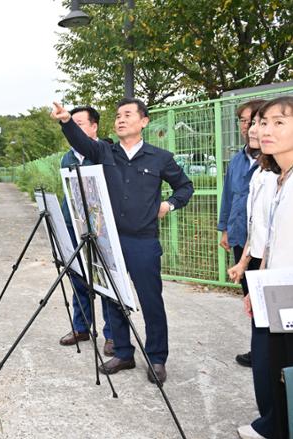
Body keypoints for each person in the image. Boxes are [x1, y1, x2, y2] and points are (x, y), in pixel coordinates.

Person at [51, 98, 194, 384]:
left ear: (144, 121)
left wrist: (169, 205)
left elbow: (185, 186)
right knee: (112, 296)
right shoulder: (105, 151)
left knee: (150, 300)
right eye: (117, 116)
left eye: (127, 115)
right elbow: (82, 143)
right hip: (109, 240)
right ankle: (124, 353)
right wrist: (67, 121)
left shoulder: (160, 158)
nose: (120, 120)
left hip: (143, 241)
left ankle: (156, 358)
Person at [239, 96, 293, 439]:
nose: (264, 130)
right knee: (274, 367)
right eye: (262, 122)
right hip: (276, 289)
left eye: (279, 122)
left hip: (287, 293)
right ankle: (275, 425)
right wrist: (257, 288)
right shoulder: (279, 179)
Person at [226, 103, 278, 439]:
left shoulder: (278, 176)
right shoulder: (260, 171)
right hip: (262, 268)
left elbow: (269, 233)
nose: (257, 129)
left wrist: (254, 270)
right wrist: (246, 265)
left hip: (275, 275)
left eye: (273, 122)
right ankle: (271, 419)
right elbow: (255, 225)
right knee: (266, 351)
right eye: (254, 123)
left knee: (272, 352)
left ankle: (273, 422)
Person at [57, 105, 114, 357]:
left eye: (80, 124)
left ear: (94, 127)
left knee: (104, 278)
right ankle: (82, 327)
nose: (75, 129)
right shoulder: (66, 158)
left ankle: (113, 335)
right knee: (77, 275)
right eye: (73, 124)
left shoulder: (105, 152)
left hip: (100, 227)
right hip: (73, 224)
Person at [218, 99, 267, 367]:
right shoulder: (237, 160)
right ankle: (258, 348)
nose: (249, 127)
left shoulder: (272, 163)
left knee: (267, 298)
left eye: (255, 121)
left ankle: (268, 351)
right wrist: (224, 227)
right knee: (251, 295)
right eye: (244, 121)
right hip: (241, 238)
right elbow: (228, 194)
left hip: (267, 245)